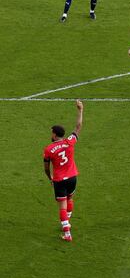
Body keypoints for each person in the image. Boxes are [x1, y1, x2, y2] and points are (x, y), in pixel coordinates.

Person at [43, 100, 84, 242]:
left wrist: (50, 178)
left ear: (55, 135)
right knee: (70, 198)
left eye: (51, 132)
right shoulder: (69, 142)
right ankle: (68, 221)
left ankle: (67, 234)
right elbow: (78, 127)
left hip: (59, 180)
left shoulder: (48, 149)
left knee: (62, 206)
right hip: (72, 177)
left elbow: (46, 168)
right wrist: (80, 109)